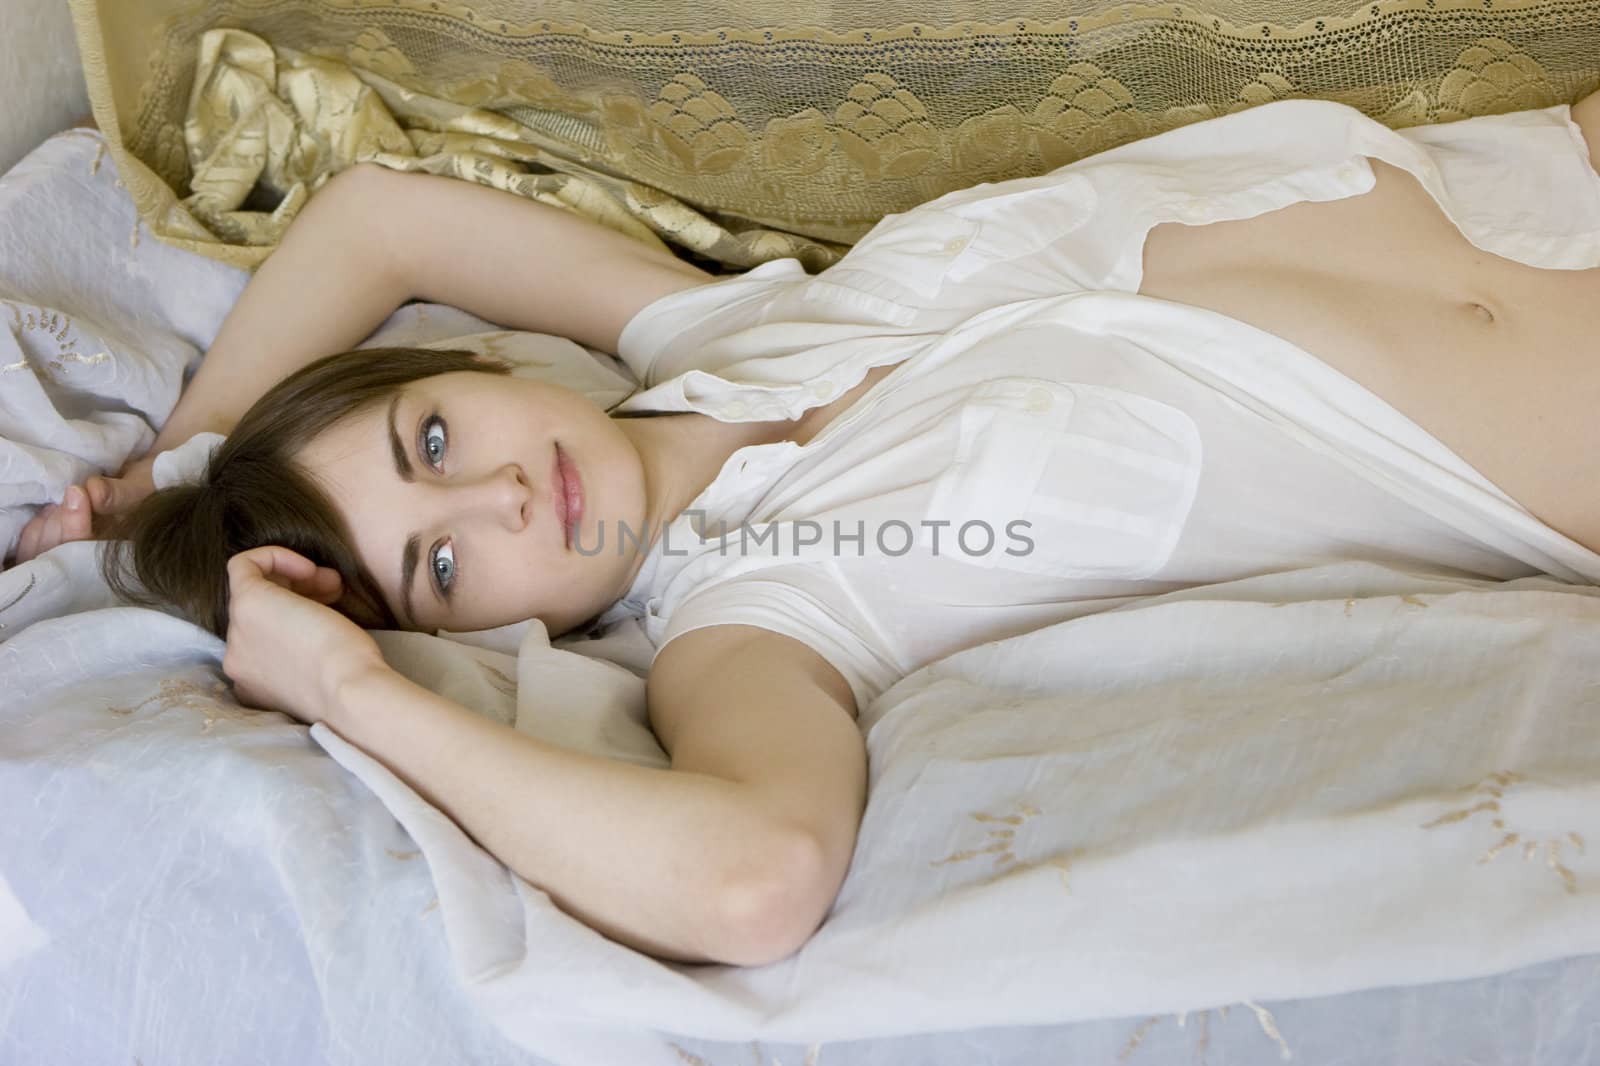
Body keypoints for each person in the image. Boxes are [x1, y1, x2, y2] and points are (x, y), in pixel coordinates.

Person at [10, 90, 1600, 968]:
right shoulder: (758, 621)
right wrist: (344, 686)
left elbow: (376, 216)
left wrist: (172, 469)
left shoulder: (727, 327)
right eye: (442, 560)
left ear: (470, 361)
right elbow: (752, 878)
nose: (496, 496)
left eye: (434, 439)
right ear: (477, 632)